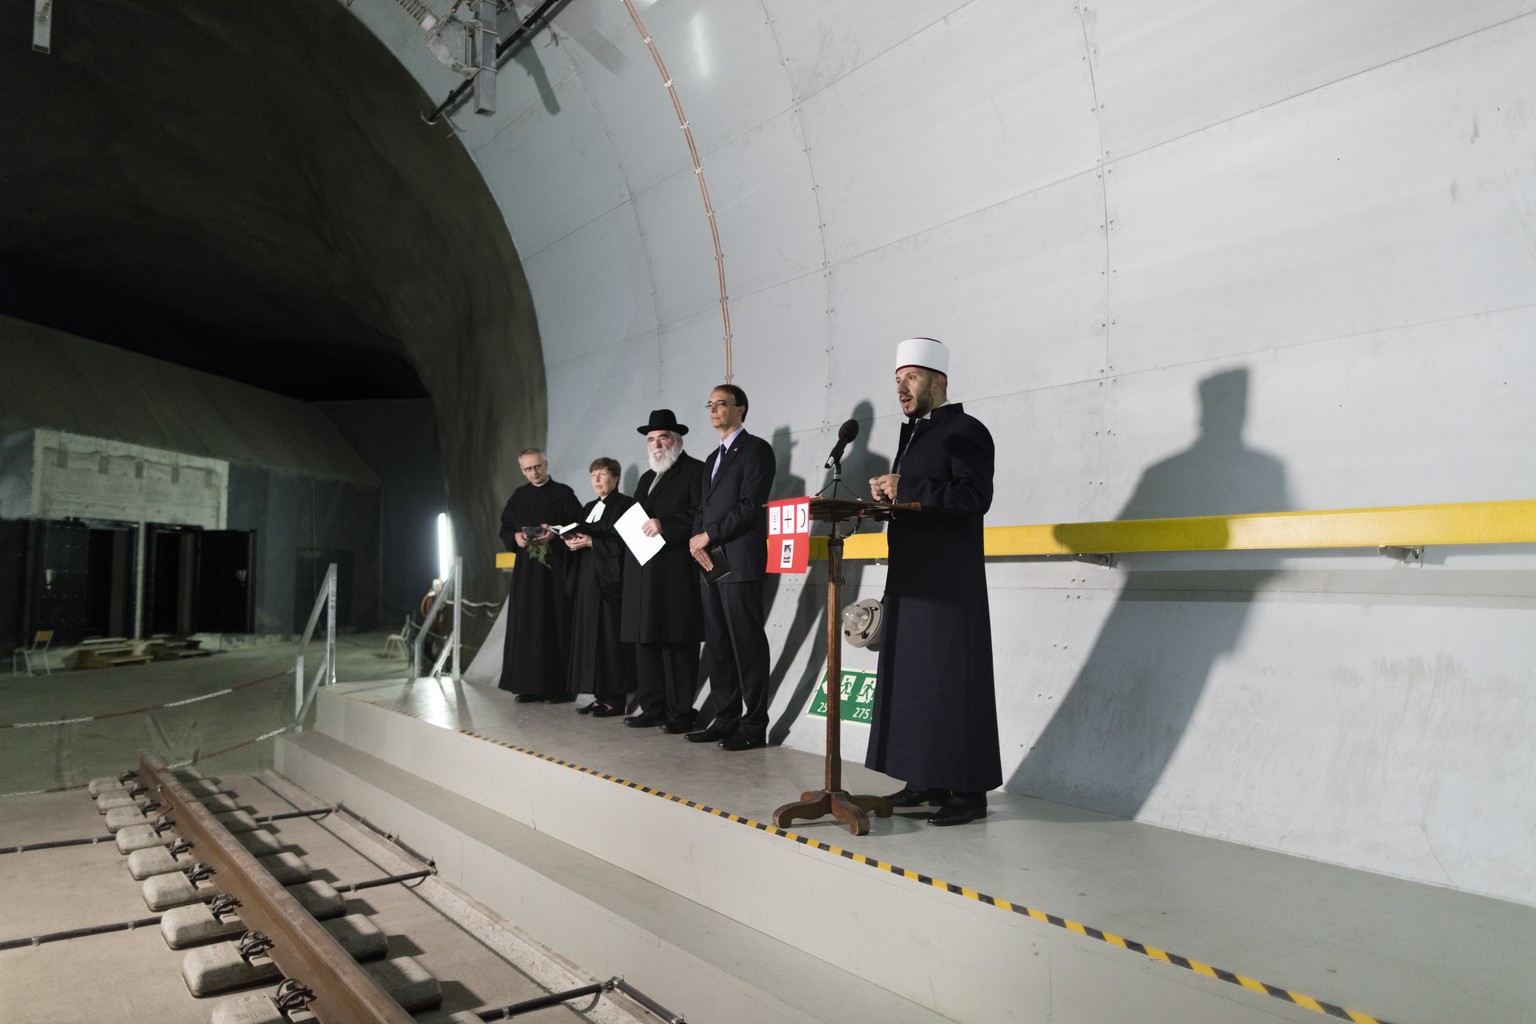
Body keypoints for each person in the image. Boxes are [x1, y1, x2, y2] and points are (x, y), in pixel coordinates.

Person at [867, 338, 1000, 825]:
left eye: (912, 378)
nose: (902, 388)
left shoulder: (966, 430)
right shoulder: (914, 435)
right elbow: (924, 497)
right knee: (917, 681)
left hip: (949, 581)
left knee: (953, 682)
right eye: (897, 379)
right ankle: (925, 778)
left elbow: (974, 495)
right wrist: (890, 495)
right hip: (913, 578)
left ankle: (968, 793)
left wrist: (909, 487)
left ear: (939, 382)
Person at [686, 385, 776, 751]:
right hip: (711, 563)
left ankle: (754, 726)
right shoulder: (711, 459)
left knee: (746, 643)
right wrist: (696, 541)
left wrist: (708, 535)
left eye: (721, 403)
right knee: (719, 644)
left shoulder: (756, 450)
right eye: (709, 404)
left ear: (741, 408)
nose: (713, 409)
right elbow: (703, 510)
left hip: (739, 560)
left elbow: (750, 506)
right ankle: (725, 719)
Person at [620, 411, 706, 733]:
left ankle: (681, 711)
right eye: (651, 440)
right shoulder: (646, 478)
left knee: (677, 641)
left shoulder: (695, 471)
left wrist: (665, 525)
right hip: (644, 572)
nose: (657, 445)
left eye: (663, 438)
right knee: (647, 640)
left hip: (674, 572)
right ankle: (653, 706)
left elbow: (700, 515)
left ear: (677, 440)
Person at [498, 448, 584, 702]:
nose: (533, 473)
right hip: (527, 575)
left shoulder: (563, 494)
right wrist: (515, 537)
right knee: (527, 627)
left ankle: (558, 688)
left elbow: (578, 525)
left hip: (555, 573)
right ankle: (528, 686)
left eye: (537, 467)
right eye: (527, 469)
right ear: (521, 470)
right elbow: (505, 527)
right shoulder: (518, 496)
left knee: (555, 624)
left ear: (545, 465)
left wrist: (555, 535)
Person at [562, 457, 636, 716]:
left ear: (615, 478)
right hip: (588, 582)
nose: (596, 480)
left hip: (609, 584)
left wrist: (592, 543)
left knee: (609, 640)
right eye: (593, 475)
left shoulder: (625, 505)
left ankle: (615, 699)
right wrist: (572, 542)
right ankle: (598, 695)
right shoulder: (588, 507)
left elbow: (624, 544)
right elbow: (583, 536)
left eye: (602, 474)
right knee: (590, 640)